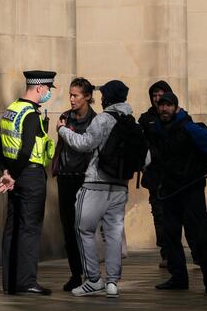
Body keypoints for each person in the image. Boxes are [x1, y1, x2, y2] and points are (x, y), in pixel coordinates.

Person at [56, 80, 135, 298]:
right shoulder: (131, 121)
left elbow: (84, 144)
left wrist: (62, 131)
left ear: (107, 98)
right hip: (120, 187)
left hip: (95, 184)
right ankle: (112, 282)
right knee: (113, 234)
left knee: (83, 229)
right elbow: (144, 158)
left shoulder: (102, 119)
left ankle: (92, 279)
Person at [153, 93, 207, 291]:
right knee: (171, 235)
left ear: (176, 107)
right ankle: (178, 277)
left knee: (199, 237)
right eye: (161, 105)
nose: (164, 109)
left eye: (168, 105)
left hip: (191, 190)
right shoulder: (160, 129)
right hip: (170, 191)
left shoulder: (190, 129)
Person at [0, 70, 57, 296]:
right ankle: (27, 281)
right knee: (30, 229)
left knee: (12, 228)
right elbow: (26, 149)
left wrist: (7, 171)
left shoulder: (11, 110)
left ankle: (10, 283)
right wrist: (13, 175)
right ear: (40, 88)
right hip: (29, 176)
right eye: (48, 89)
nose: (49, 93)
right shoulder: (31, 114)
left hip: (15, 175)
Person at [138, 80, 199, 268]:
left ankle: (197, 253)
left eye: (161, 96)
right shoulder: (145, 118)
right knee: (160, 216)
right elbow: (140, 143)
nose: (157, 100)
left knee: (189, 216)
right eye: (154, 95)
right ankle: (167, 254)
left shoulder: (180, 118)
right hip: (156, 175)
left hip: (179, 175)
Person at [52, 77, 97, 292]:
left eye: (75, 95)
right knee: (68, 228)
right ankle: (75, 274)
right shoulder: (65, 117)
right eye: (70, 95)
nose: (71, 99)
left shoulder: (96, 120)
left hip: (86, 180)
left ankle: (91, 274)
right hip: (66, 177)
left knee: (84, 228)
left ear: (87, 96)